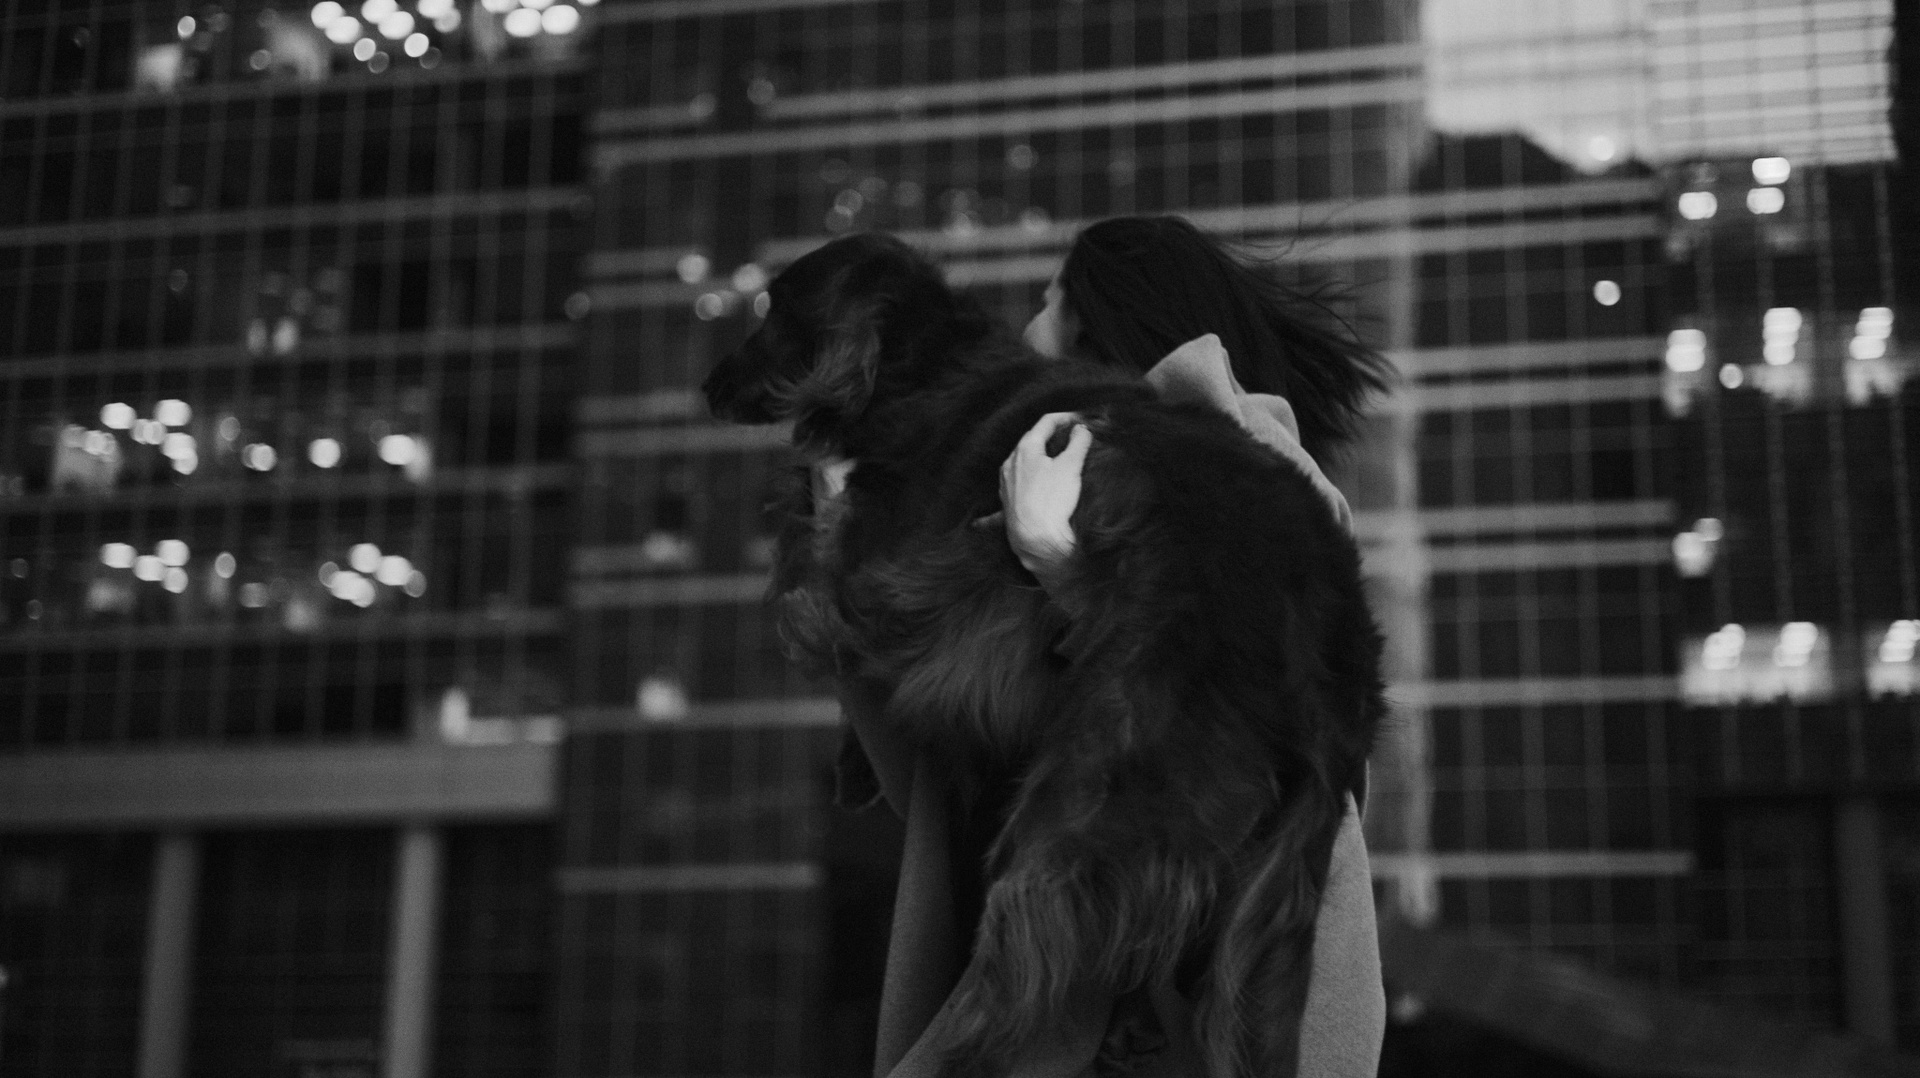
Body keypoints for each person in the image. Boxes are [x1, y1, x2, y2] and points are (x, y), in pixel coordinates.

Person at [837, 216, 1388, 1078]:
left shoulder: (1263, 484)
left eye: (1050, 301)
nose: (1026, 328)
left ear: (1099, 328)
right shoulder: (1039, 487)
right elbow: (943, 810)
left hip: (1186, 1012)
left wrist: (1060, 564)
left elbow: (1253, 761)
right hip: (1059, 1010)